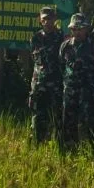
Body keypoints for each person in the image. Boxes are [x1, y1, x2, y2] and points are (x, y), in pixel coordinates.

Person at [60, 13, 94, 145]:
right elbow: (61, 65)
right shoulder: (65, 46)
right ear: (71, 29)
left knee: (89, 122)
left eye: (80, 29)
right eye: (74, 29)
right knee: (68, 121)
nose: (77, 32)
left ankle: (91, 150)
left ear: (86, 29)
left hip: (88, 91)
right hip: (70, 91)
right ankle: (69, 148)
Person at [28, 7, 64, 142]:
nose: (47, 22)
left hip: (56, 83)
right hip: (38, 83)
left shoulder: (61, 37)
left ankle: (58, 144)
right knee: (38, 115)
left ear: (55, 20)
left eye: (50, 19)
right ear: (40, 20)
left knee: (57, 116)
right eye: (44, 19)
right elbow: (35, 61)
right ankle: (37, 142)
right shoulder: (35, 38)